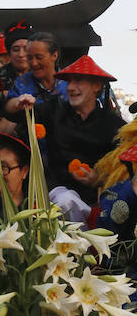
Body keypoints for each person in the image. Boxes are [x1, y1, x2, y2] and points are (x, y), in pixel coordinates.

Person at [7, 55, 123, 214]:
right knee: (66, 201)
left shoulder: (114, 126)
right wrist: (18, 103)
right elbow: (13, 114)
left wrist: (98, 180)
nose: (70, 87)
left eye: (78, 81)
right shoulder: (53, 109)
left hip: (97, 199)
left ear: (96, 85)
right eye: (69, 81)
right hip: (56, 193)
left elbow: (124, 171)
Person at [3, 31, 67, 117]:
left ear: (54, 55)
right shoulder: (23, 82)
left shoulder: (69, 81)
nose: (34, 63)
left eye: (39, 57)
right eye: (29, 58)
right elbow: (8, 106)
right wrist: (18, 102)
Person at [0, 20, 31, 93]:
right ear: (9, 53)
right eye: (16, 50)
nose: (21, 54)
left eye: (26, 49)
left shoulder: (41, 74)